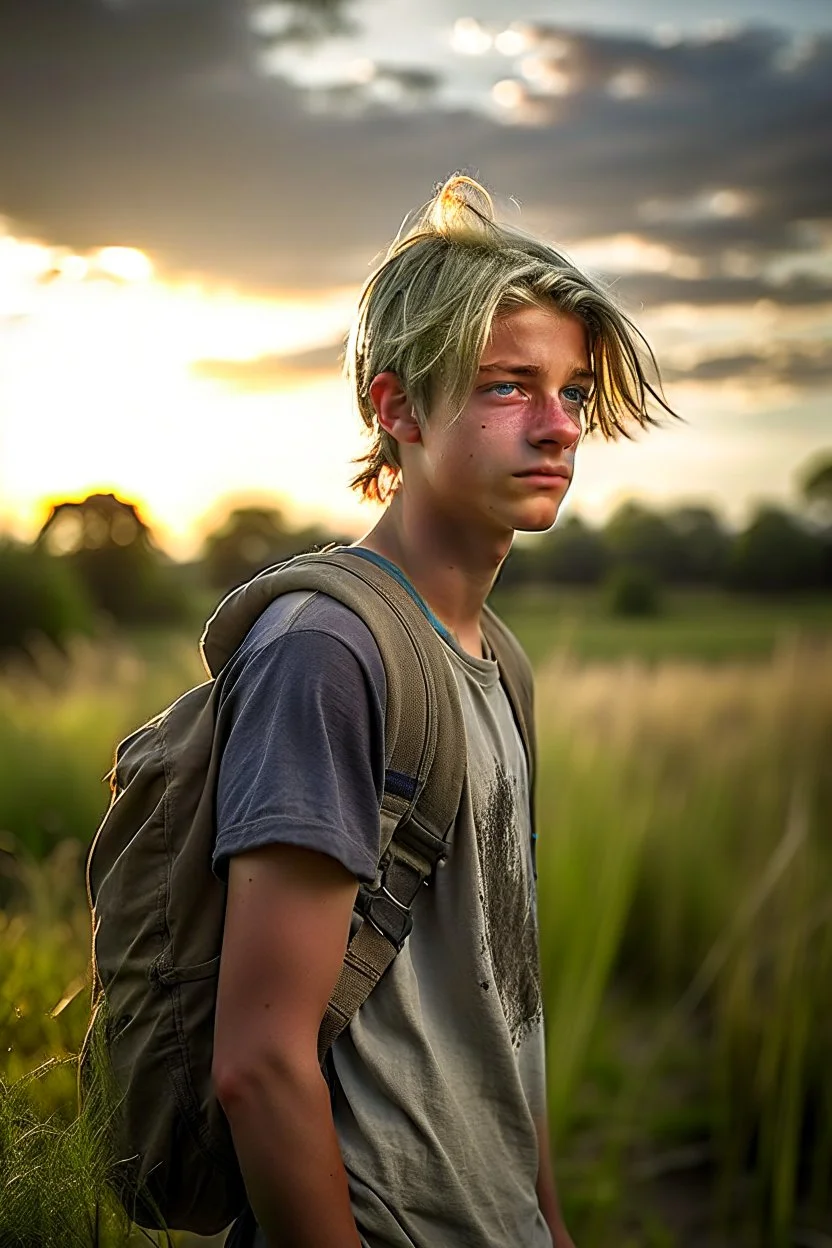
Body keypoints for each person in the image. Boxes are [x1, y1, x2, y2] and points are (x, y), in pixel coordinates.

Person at [210, 175, 672, 1248]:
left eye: (574, 394)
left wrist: (544, 1222)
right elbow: (259, 1067)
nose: (559, 428)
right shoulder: (329, 653)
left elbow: (503, 999)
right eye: (512, 386)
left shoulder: (496, 660)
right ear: (397, 408)